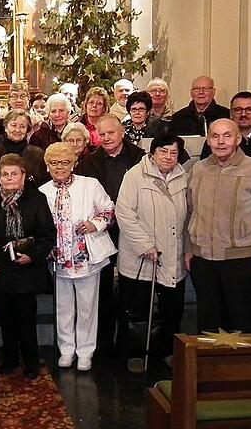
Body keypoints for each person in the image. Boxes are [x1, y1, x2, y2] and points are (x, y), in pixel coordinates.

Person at [185, 118, 251, 333]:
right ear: (208, 141)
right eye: (215, 136)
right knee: (208, 322)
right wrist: (189, 249)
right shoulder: (198, 169)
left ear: (237, 139)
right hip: (203, 260)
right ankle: (209, 366)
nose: (221, 141)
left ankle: (243, 366)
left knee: (243, 321)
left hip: (242, 261)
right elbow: (189, 212)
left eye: (227, 136)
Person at [0, 153, 56, 379]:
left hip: (27, 269)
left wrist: (32, 255)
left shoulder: (36, 199)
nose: (9, 178)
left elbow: (47, 234)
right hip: (0, 270)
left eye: (14, 174)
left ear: (23, 176)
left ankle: (31, 363)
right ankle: (10, 360)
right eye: (4, 174)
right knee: (6, 319)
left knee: (26, 320)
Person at [39, 143, 115, 371]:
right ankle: (66, 350)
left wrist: (95, 224)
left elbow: (109, 210)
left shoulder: (90, 185)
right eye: (54, 162)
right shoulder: (43, 191)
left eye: (64, 162)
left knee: (87, 307)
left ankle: (85, 352)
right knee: (63, 308)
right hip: (59, 258)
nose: (59, 167)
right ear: (47, 166)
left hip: (86, 257)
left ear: (74, 163)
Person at [115, 134, 188, 370]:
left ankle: (166, 350)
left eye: (174, 152)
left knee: (171, 310)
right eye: (163, 151)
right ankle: (135, 353)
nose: (168, 157)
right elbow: (124, 214)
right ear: (153, 152)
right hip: (141, 257)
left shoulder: (183, 177)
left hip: (172, 255)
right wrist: (145, 245)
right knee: (138, 311)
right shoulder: (135, 176)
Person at [74, 114, 145, 355]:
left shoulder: (139, 158)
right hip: (101, 234)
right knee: (102, 290)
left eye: (111, 133)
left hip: (133, 231)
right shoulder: (88, 163)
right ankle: (102, 343)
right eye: (101, 134)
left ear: (122, 132)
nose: (106, 138)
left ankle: (129, 344)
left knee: (131, 288)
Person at [0, 109, 47, 185]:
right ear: (6, 128)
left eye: (22, 126)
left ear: (27, 130)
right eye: (14, 125)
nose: (17, 130)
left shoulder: (38, 154)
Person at [200, 91, 251, 159]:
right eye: (238, 110)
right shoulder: (216, 141)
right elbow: (205, 167)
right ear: (230, 113)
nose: (243, 114)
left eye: (249, 110)